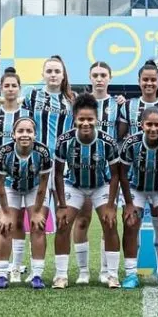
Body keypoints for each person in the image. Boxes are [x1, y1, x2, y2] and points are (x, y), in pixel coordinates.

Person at [53, 93, 121, 289]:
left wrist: (110, 205)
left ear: (96, 119)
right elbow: (58, 174)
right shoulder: (64, 141)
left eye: (90, 119)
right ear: (74, 119)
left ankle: (112, 275)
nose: (85, 123)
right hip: (74, 185)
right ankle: (61, 275)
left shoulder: (107, 141)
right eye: (81, 119)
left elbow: (116, 174)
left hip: (101, 185)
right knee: (63, 224)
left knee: (110, 223)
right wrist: (62, 205)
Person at [119, 106, 158, 289]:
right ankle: (131, 274)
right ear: (141, 125)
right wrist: (129, 204)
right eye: (149, 124)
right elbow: (122, 174)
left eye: (157, 124)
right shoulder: (131, 143)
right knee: (130, 222)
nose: (153, 129)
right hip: (136, 188)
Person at [23, 55, 74, 279]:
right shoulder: (32, 95)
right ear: (43, 74)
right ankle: (36, 272)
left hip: (63, 168)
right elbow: (13, 109)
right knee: (37, 220)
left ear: (63, 76)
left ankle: (61, 273)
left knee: (64, 221)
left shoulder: (72, 101)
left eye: (57, 71)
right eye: (49, 71)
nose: (53, 75)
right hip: (37, 168)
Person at [0, 117, 52, 289]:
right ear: (13, 134)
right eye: (20, 131)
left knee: (38, 225)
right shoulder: (4, 152)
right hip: (11, 188)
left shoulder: (43, 152)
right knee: (5, 225)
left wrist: (38, 211)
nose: (24, 134)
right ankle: (2, 275)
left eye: (29, 131)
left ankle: (37, 275)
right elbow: (0, 185)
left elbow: (43, 185)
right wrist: (3, 213)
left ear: (35, 135)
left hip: (34, 188)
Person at [0, 67, 30, 284]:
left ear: (18, 89)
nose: (10, 89)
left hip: (20, 176)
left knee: (18, 221)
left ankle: (16, 267)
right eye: (6, 86)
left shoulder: (26, 114)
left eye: (14, 85)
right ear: (1, 88)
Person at [78, 61, 121, 285]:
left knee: (108, 222)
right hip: (80, 172)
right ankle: (83, 271)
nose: (99, 78)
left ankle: (106, 271)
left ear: (110, 78)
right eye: (95, 74)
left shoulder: (118, 105)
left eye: (103, 74)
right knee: (82, 222)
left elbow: (122, 133)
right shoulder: (80, 104)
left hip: (106, 175)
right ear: (89, 77)